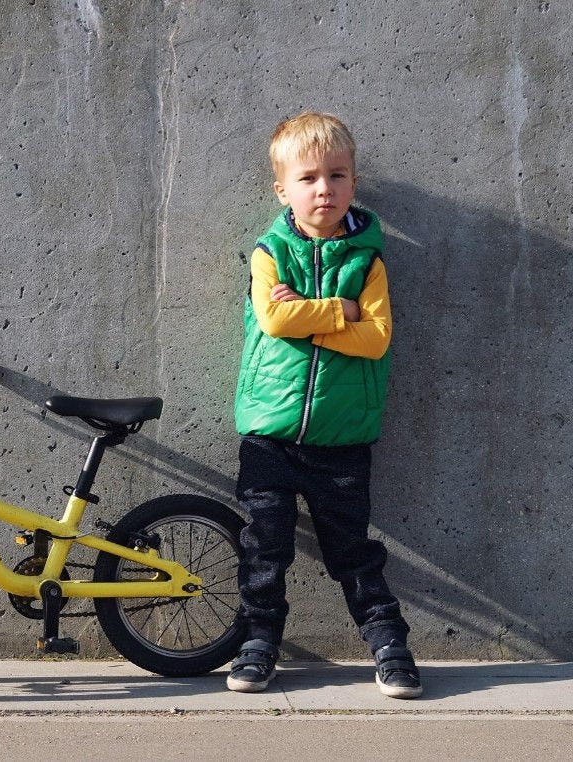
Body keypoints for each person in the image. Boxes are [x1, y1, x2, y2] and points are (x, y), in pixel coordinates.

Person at [227, 111, 421, 699]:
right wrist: (343, 312)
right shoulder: (270, 251)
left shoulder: (368, 261)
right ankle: (258, 643)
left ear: (353, 185)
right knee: (265, 547)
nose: (324, 189)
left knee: (353, 552)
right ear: (282, 188)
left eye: (337, 176)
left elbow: (377, 338)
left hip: (342, 439)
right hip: (270, 435)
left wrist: (309, 319)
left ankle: (390, 645)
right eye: (309, 178)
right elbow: (274, 316)